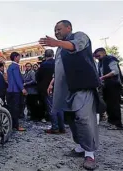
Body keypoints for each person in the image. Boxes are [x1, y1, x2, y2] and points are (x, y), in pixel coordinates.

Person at [39, 20, 100, 170]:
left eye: (59, 29)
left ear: (69, 28)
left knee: (84, 118)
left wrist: (56, 43)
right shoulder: (60, 49)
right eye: (54, 30)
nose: (56, 32)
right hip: (66, 90)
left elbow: (74, 47)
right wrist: (52, 82)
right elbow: (60, 68)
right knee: (71, 119)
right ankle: (80, 146)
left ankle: (90, 154)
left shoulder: (80, 36)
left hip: (82, 86)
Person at [37, 49, 65, 133]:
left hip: (48, 88)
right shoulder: (58, 63)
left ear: (45, 55)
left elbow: (38, 77)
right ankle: (62, 127)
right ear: (53, 55)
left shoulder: (43, 65)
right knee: (60, 108)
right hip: (59, 87)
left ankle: (55, 127)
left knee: (52, 108)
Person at [94, 48, 123, 129]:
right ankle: (111, 121)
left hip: (113, 84)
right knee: (108, 105)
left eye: (98, 55)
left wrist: (102, 77)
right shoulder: (100, 62)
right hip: (106, 85)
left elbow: (115, 71)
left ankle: (117, 124)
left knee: (114, 105)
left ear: (103, 53)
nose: (97, 57)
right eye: (96, 56)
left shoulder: (110, 59)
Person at [6, 52, 27, 131]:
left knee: (11, 108)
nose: (19, 58)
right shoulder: (15, 66)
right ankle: (16, 126)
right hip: (15, 91)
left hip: (9, 90)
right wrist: (22, 88)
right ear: (15, 57)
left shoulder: (9, 67)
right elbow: (17, 79)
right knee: (16, 108)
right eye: (19, 57)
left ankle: (12, 125)